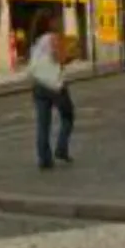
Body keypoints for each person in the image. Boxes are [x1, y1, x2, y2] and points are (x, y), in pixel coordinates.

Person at [28, 15, 74, 169]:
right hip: (54, 85)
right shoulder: (52, 38)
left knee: (43, 124)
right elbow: (59, 58)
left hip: (39, 85)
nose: (57, 22)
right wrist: (71, 56)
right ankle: (61, 148)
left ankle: (44, 159)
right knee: (68, 115)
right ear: (49, 23)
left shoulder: (36, 42)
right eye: (54, 20)